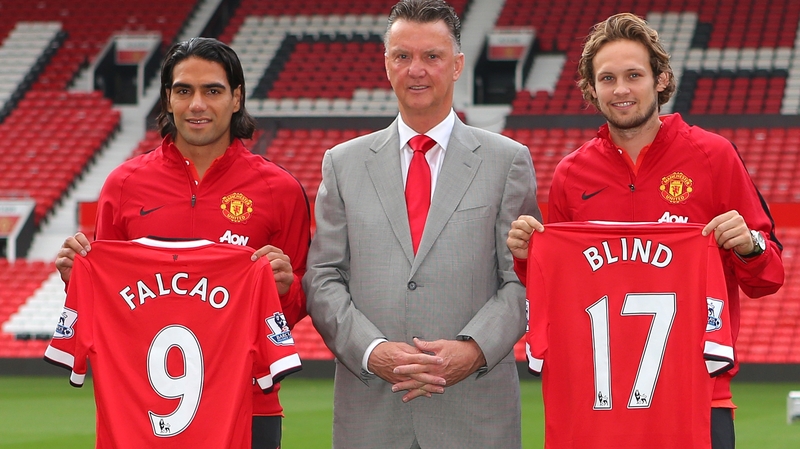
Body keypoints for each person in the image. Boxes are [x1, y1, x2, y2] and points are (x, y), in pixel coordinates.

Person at [506, 13, 784, 449]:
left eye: (634, 75)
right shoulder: (570, 175)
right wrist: (527, 255)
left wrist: (750, 245)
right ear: (591, 89)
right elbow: (558, 290)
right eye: (608, 78)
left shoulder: (714, 156)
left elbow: (769, 277)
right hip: (598, 403)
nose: (621, 89)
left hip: (698, 399)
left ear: (661, 79)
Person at [302, 0, 540, 447]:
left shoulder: (507, 161)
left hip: (473, 412)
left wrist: (472, 351)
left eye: (432, 56)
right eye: (402, 56)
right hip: (371, 413)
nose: (416, 70)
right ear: (386, 64)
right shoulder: (343, 163)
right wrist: (374, 353)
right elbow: (323, 277)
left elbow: (524, 279)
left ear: (457, 66)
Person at [54, 37, 310, 449]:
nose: (197, 105)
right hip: (139, 411)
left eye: (212, 90)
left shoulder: (278, 189)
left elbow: (295, 306)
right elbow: (109, 303)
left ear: (237, 97)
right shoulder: (123, 186)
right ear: (167, 100)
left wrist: (284, 287)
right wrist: (76, 277)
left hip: (249, 407)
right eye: (183, 90)